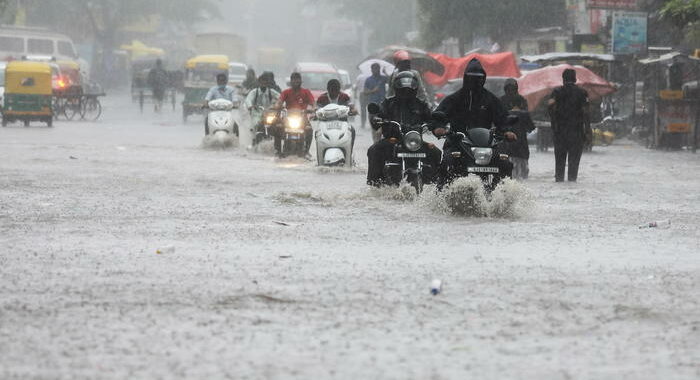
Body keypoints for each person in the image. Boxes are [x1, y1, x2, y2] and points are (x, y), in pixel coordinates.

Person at [431, 59, 517, 182]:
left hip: (486, 144)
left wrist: (507, 131)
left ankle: (504, 195)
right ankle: (442, 194)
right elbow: (439, 114)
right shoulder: (455, 99)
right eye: (472, 78)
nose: (475, 81)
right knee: (448, 161)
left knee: (505, 163)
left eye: (478, 78)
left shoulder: (490, 99)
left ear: (483, 79)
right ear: (466, 78)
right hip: (457, 141)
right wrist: (438, 127)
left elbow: (502, 118)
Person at [366, 71, 442, 187]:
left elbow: (431, 117)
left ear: (415, 89)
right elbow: (378, 114)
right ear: (397, 88)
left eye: (409, 89)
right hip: (393, 140)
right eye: (403, 89)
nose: (406, 92)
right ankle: (374, 184)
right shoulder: (389, 103)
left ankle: (436, 186)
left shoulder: (421, 105)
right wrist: (377, 119)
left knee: (436, 152)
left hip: (415, 141)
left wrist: (436, 124)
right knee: (374, 150)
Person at [547, 68, 591, 182]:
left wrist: (554, 125)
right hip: (576, 133)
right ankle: (572, 182)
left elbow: (550, 109)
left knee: (559, 163)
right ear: (575, 79)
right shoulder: (582, 93)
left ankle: (559, 181)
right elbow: (586, 113)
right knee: (574, 164)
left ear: (563, 79)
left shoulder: (556, 92)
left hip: (560, 132)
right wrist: (587, 130)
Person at [272, 72, 315, 157]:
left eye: (297, 79)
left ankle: (306, 151)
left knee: (309, 129)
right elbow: (279, 102)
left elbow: (313, 103)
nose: (296, 81)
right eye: (294, 79)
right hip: (288, 118)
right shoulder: (286, 92)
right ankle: (278, 151)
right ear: (291, 81)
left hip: (302, 118)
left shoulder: (306, 92)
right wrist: (277, 106)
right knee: (278, 127)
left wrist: (314, 109)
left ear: (301, 81)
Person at [500, 78, 535, 179]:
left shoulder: (500, 101)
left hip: (505, 144)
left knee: (505, 173)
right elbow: (531, 127)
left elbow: (495, 122)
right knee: (522, 175)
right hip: (521, 145)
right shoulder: (523, 107)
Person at [363, 63, 388, 136]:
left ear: (379, 69)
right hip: (372, 106)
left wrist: (385, 72)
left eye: (377, 68)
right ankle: (375, 143)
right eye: (374, 69)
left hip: (383, 105)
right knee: (374, 127)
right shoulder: (368, 79)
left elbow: (391, 81)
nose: (376, 70)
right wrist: (373, 91)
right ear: (371, 70)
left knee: (384, 125)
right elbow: (365, 92)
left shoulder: (383, 78)